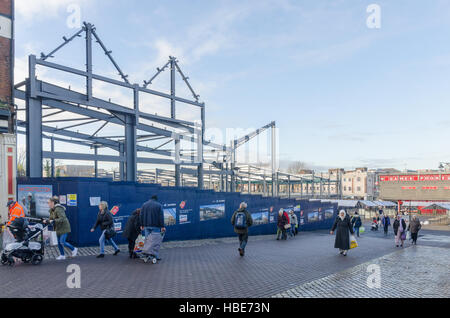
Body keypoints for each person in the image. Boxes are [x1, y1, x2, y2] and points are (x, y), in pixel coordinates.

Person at [47, 196, 78, 260]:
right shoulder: (52, 210)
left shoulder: (58, 209)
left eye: (49, 202)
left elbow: (62, 218)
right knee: (59, 243)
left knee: (62, 242)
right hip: (58, 228)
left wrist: (53, 221)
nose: (48, 204)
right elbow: (51, 218)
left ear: (53, 203)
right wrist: (47, 220)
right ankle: (62, 255)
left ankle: (74, 249)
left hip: (64, 227)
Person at [139, 195, 165, 260]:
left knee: (147, 240)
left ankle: (146, 254)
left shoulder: (144, 204)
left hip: (146, 225)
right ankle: (155, 256)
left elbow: (141, 215)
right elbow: (161, 217)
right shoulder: (159, 205)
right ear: (156, 199)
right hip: (156, 226)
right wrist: (162, 226)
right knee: (155, 241)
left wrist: (141, 225)